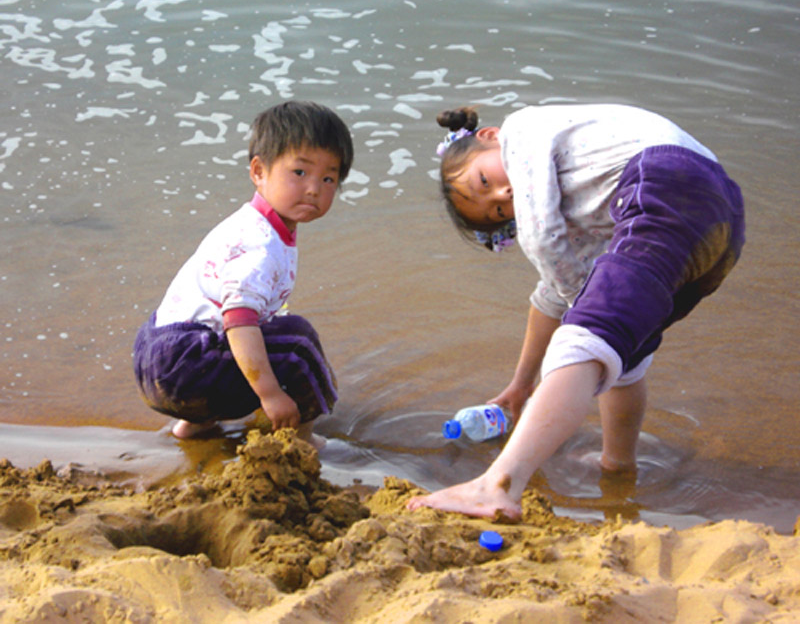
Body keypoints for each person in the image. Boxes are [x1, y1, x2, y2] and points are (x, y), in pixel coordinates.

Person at [407, 103, 745, 520]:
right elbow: (555, 291)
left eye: (484, 180)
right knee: (624, 352)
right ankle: (617, 466)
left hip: (666, 179)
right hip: (720, 221)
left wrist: (581, 320)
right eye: (497, 211)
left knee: (587, 338)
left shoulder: (522, 131)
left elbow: (544, 242)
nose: (503, 195)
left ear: (489, 137)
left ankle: (496, 485)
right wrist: (521, 384)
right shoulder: (584, 196)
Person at [133, 100, 354, 447]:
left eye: (329, 178)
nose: (315, 188)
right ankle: (303, 436)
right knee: (298, 342)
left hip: (156, 357)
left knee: (263, 328)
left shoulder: (253, 224)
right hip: (185, 366)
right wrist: (270, 394)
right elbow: (237, 319)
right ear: (259, 172)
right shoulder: (259, 244)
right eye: (300, 172)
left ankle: (195, 425)